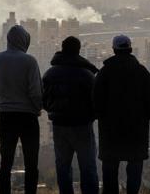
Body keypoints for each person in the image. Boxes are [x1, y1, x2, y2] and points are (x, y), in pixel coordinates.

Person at [93, 35, 150, 194]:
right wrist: (145, 117)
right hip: (136, 129)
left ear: (114, 49)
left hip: (110, 130)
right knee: (135, 165)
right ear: (130, 49)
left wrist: (102, 118)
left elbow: (96, 98)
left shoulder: (105, 72)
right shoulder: (141, 72)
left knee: (110, 167)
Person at [42, 36, 99, 194]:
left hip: (59, 126)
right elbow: (97, 102)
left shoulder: (50, 74)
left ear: (62, 48)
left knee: (63, 166)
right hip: (82, 126)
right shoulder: (87, 75)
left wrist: (54, 112)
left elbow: (43, 100)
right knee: (87, 166)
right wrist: (90, 116)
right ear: (78, 50)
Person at [0, 25, 42, 194]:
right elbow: (35, 91)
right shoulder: (29, 61)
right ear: (24, 41)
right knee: (31, 162)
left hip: (6, 115)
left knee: (6, 162)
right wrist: (38, 108)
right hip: (27, 117)